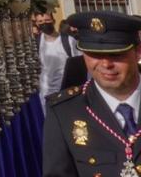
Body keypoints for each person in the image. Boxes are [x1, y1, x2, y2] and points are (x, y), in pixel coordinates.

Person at [43, 10, 141, 176]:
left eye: (115, 54)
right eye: (94, 54)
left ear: (137, 52)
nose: (106, 64)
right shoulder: (64, 112)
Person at [36, 11, 81, 111]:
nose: (44, 23)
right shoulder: (36, 43)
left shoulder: (68, 41)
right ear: (37, 24)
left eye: (47, 20)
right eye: (40, 21)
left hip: (66, 91)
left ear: (53, 20)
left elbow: (79, 64)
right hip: (45, 93)